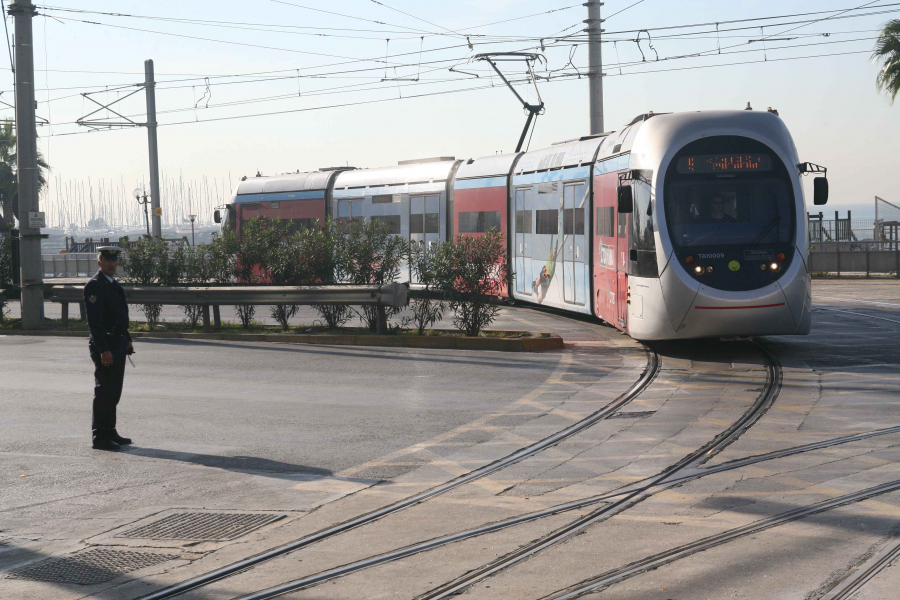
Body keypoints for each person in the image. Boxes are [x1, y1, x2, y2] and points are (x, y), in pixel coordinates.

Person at [84, 246, 135, 451]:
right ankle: (100, 437)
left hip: (118, 341)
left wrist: (127, 338)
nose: (112, 263)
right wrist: (103, 349)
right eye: (107, 260)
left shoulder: (112, 284)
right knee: (104, 391)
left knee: (114, 391)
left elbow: (119, 316)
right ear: (100, 262)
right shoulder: (95, 285)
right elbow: (94, 322)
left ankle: (110, 430)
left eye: (114, 260)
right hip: (105, 343)